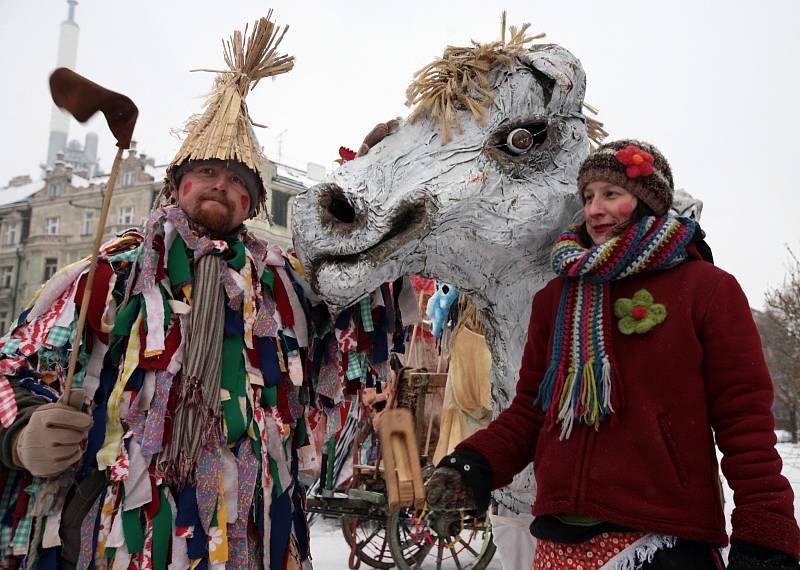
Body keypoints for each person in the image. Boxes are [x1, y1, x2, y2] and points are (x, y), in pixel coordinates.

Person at [0, 15, 331, 569]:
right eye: (206, 172)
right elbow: (11, 364)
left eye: (238, 184)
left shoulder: (280, 288)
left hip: (241, 531)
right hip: (117, 530)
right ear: (178, 187)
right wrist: (22, 428)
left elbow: (343, 326)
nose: (221, 185)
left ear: (250, 206)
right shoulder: (111, 274)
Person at [426, 139, 800, 569]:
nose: (594, 210)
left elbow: (745, 422)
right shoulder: (556, 298)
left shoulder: (706, 289)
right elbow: (530, 411)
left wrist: (766, 531)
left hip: (664, 544)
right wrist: (473, 465)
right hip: (559, 546)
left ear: (645, 202)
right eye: (588, 197)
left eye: (611, 194)